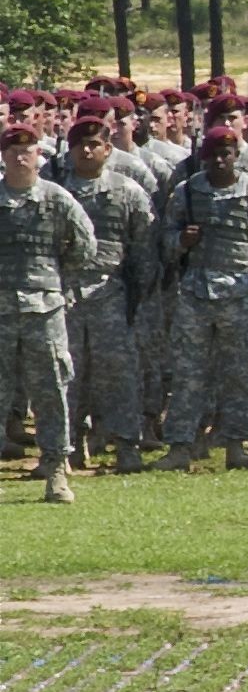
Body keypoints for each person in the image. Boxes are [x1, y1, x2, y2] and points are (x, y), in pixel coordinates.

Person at [155, 123, 248, 473]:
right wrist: (183, 241)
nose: (220, 160)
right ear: (203, 157)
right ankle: (181, 445)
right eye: (213, 155)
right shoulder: (187, 193)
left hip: (239, 294)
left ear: (237, 156)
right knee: (188, 372)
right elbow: (164, 240)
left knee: (239, 372)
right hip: (195, 293)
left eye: (227, 154)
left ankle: (236, 445)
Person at [0, 123, 101, 502]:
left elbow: (85, 247)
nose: (21, 156)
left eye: (28, 150)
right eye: (13, 150)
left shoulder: (57, 199)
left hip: (45, 310)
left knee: (51, 390)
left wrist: (57, 277)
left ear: (39, 156)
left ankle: (56, 469)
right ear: (4, 156)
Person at [53, 118, 148, 476]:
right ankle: (68, 446)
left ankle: (127, 445)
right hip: (66, 293)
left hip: (112, 291)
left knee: (118, 372)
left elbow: (143, 246)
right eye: (80, 144)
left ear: (108, 149)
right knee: (67, 372)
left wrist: (138, 292)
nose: (87, 150)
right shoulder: (55, 192)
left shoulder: (127, 191)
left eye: (95, 144)